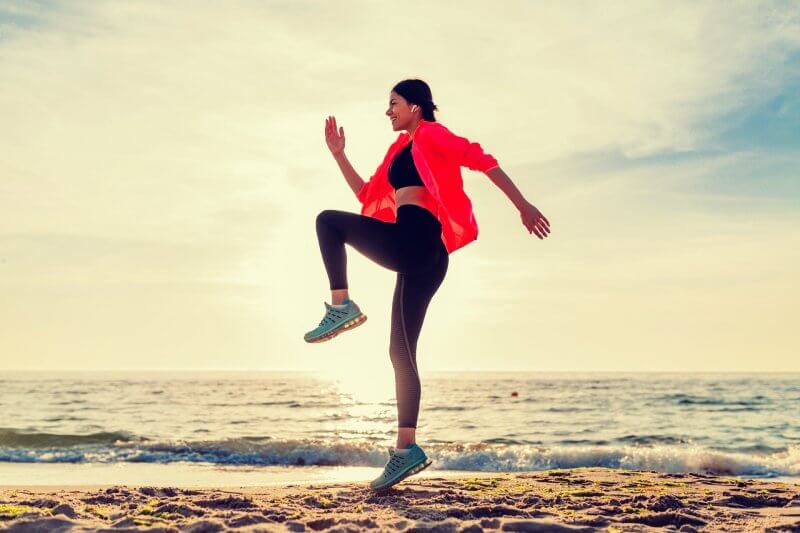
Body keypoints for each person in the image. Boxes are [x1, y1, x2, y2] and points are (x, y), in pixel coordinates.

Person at [305, 79, 550, 491]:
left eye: (394, 104)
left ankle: (341, 306)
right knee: (400, 351)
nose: (388, 112)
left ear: (416, 107)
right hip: (422, 255)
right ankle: (407, 451)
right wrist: (339, 155)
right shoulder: (398, 151)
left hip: (418, 243)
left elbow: (482, 160)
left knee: (328, 221)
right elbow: (368, 194)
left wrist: (522, 205)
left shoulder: (433, 134)